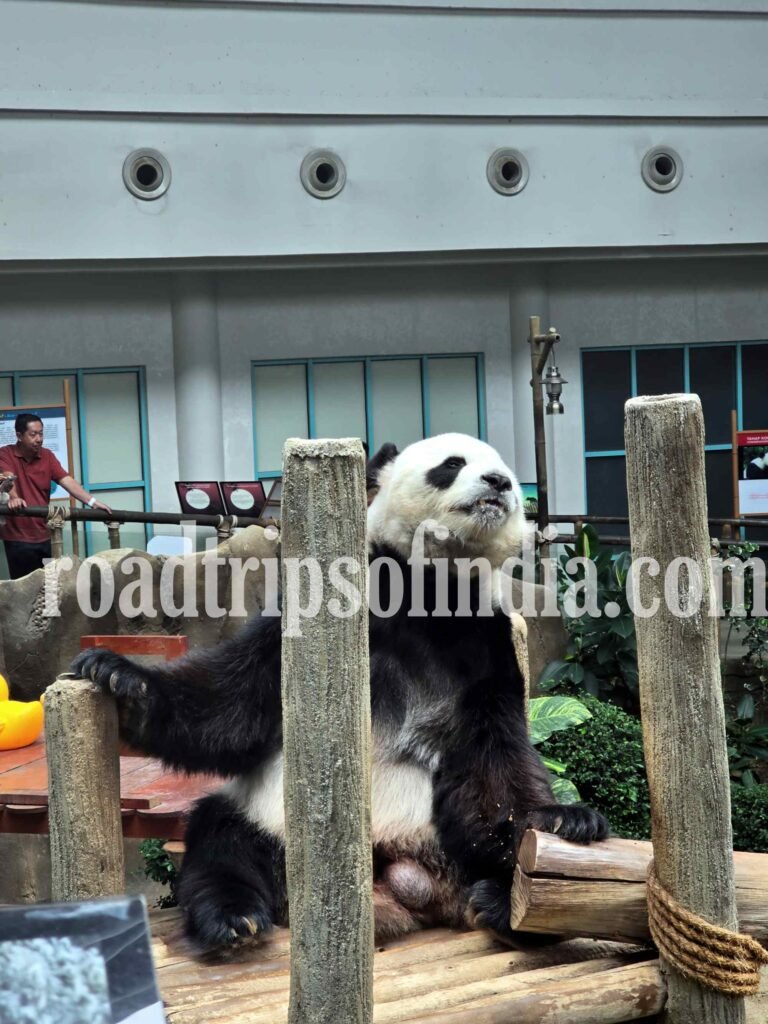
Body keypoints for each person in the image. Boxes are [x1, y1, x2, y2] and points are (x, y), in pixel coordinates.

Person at [0, 413, 113, 580]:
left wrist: (92, 501)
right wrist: (14, 497)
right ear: (19, 435)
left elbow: (66, 480)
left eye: (41, 433)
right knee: (25, 590)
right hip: (18, 538)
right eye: (33, 434)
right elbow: (9, 477)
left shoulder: (47, 455)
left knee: (51, 588)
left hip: (47, 535)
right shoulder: (5, 453)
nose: (39, 439)